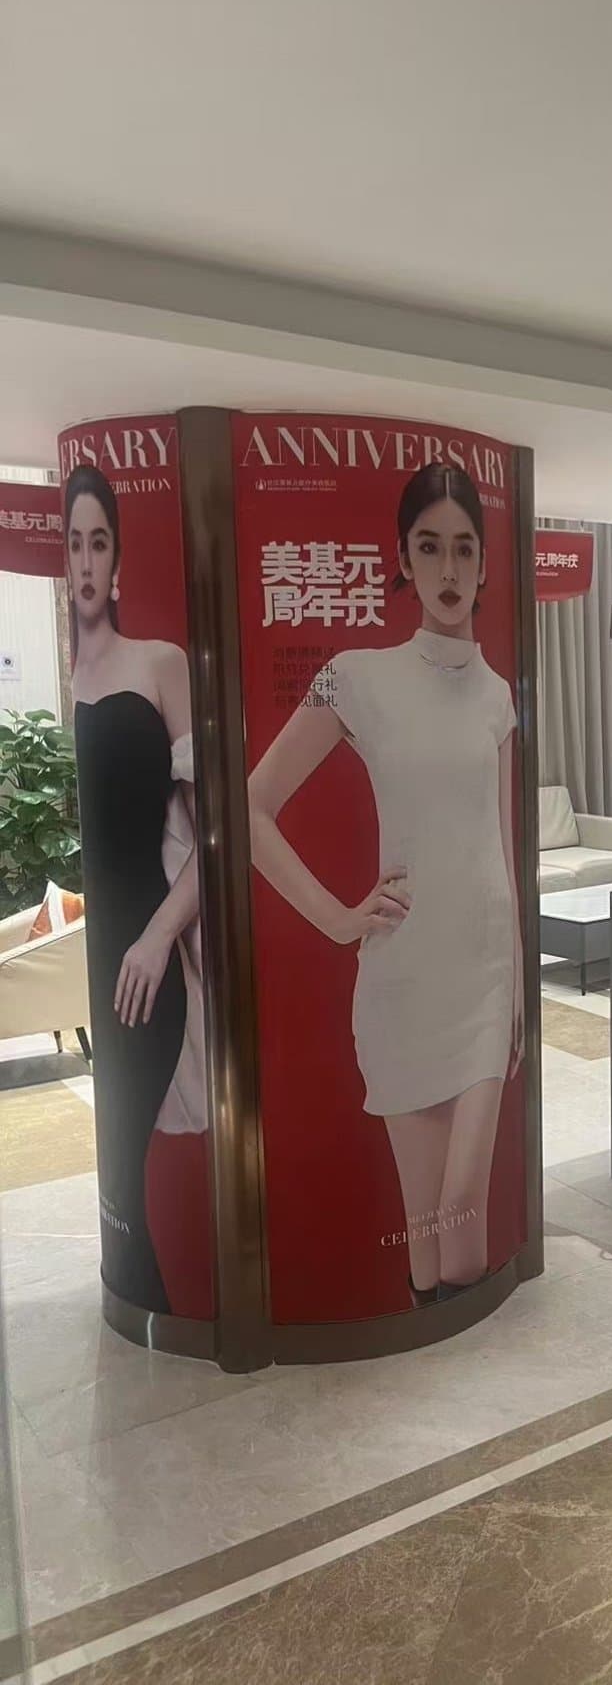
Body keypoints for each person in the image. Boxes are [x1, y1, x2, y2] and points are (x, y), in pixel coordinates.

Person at [248, 464, 523, 1308]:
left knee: (463, 1215)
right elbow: (250, 806)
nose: (449, 569)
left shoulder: (498, 698)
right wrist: (337, 920)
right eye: (429, 548)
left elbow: (501, 850)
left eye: (464, 549)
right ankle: (436, 1353)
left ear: (485, 565)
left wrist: (518, 987)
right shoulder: (355, 674)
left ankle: (461, 1354)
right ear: (402, 560)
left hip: (483, 973)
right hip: (403, 977)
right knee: (427, 1239)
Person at [66, 464, 203, 1315]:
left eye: (100, 543)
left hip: (147, 971)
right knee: (119, 1177)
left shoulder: (161, 664)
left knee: (121, 1166)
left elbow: (216, 833)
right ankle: (147, 1320)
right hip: (100, 964)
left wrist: (157, 939)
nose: (87, 561)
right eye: (75, 543)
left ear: (117, 559)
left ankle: (157, 1326)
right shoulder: (74, 677)